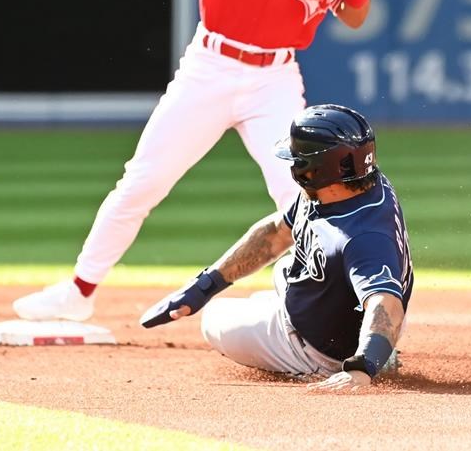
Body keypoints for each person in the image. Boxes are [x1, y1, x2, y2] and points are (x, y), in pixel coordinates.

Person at [14, 0, 371, 322]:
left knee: (302, 196)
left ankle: (320, 305)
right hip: (211, 67)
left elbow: (355, 16)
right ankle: (79, 292)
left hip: (275, 79)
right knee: (142, 181)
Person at [139, 104, 414, 392]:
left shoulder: (362, 237)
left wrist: (363, 368)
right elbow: (275, 234)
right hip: (345, 308)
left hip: (319, 349)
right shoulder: (347, 187)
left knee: (215, 317)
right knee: (284, 267)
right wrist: (204, 285)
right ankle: (374, 343)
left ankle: (350, 357)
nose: (294, 165)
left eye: (298, 160)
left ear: (317, 169)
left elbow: (386, 303)